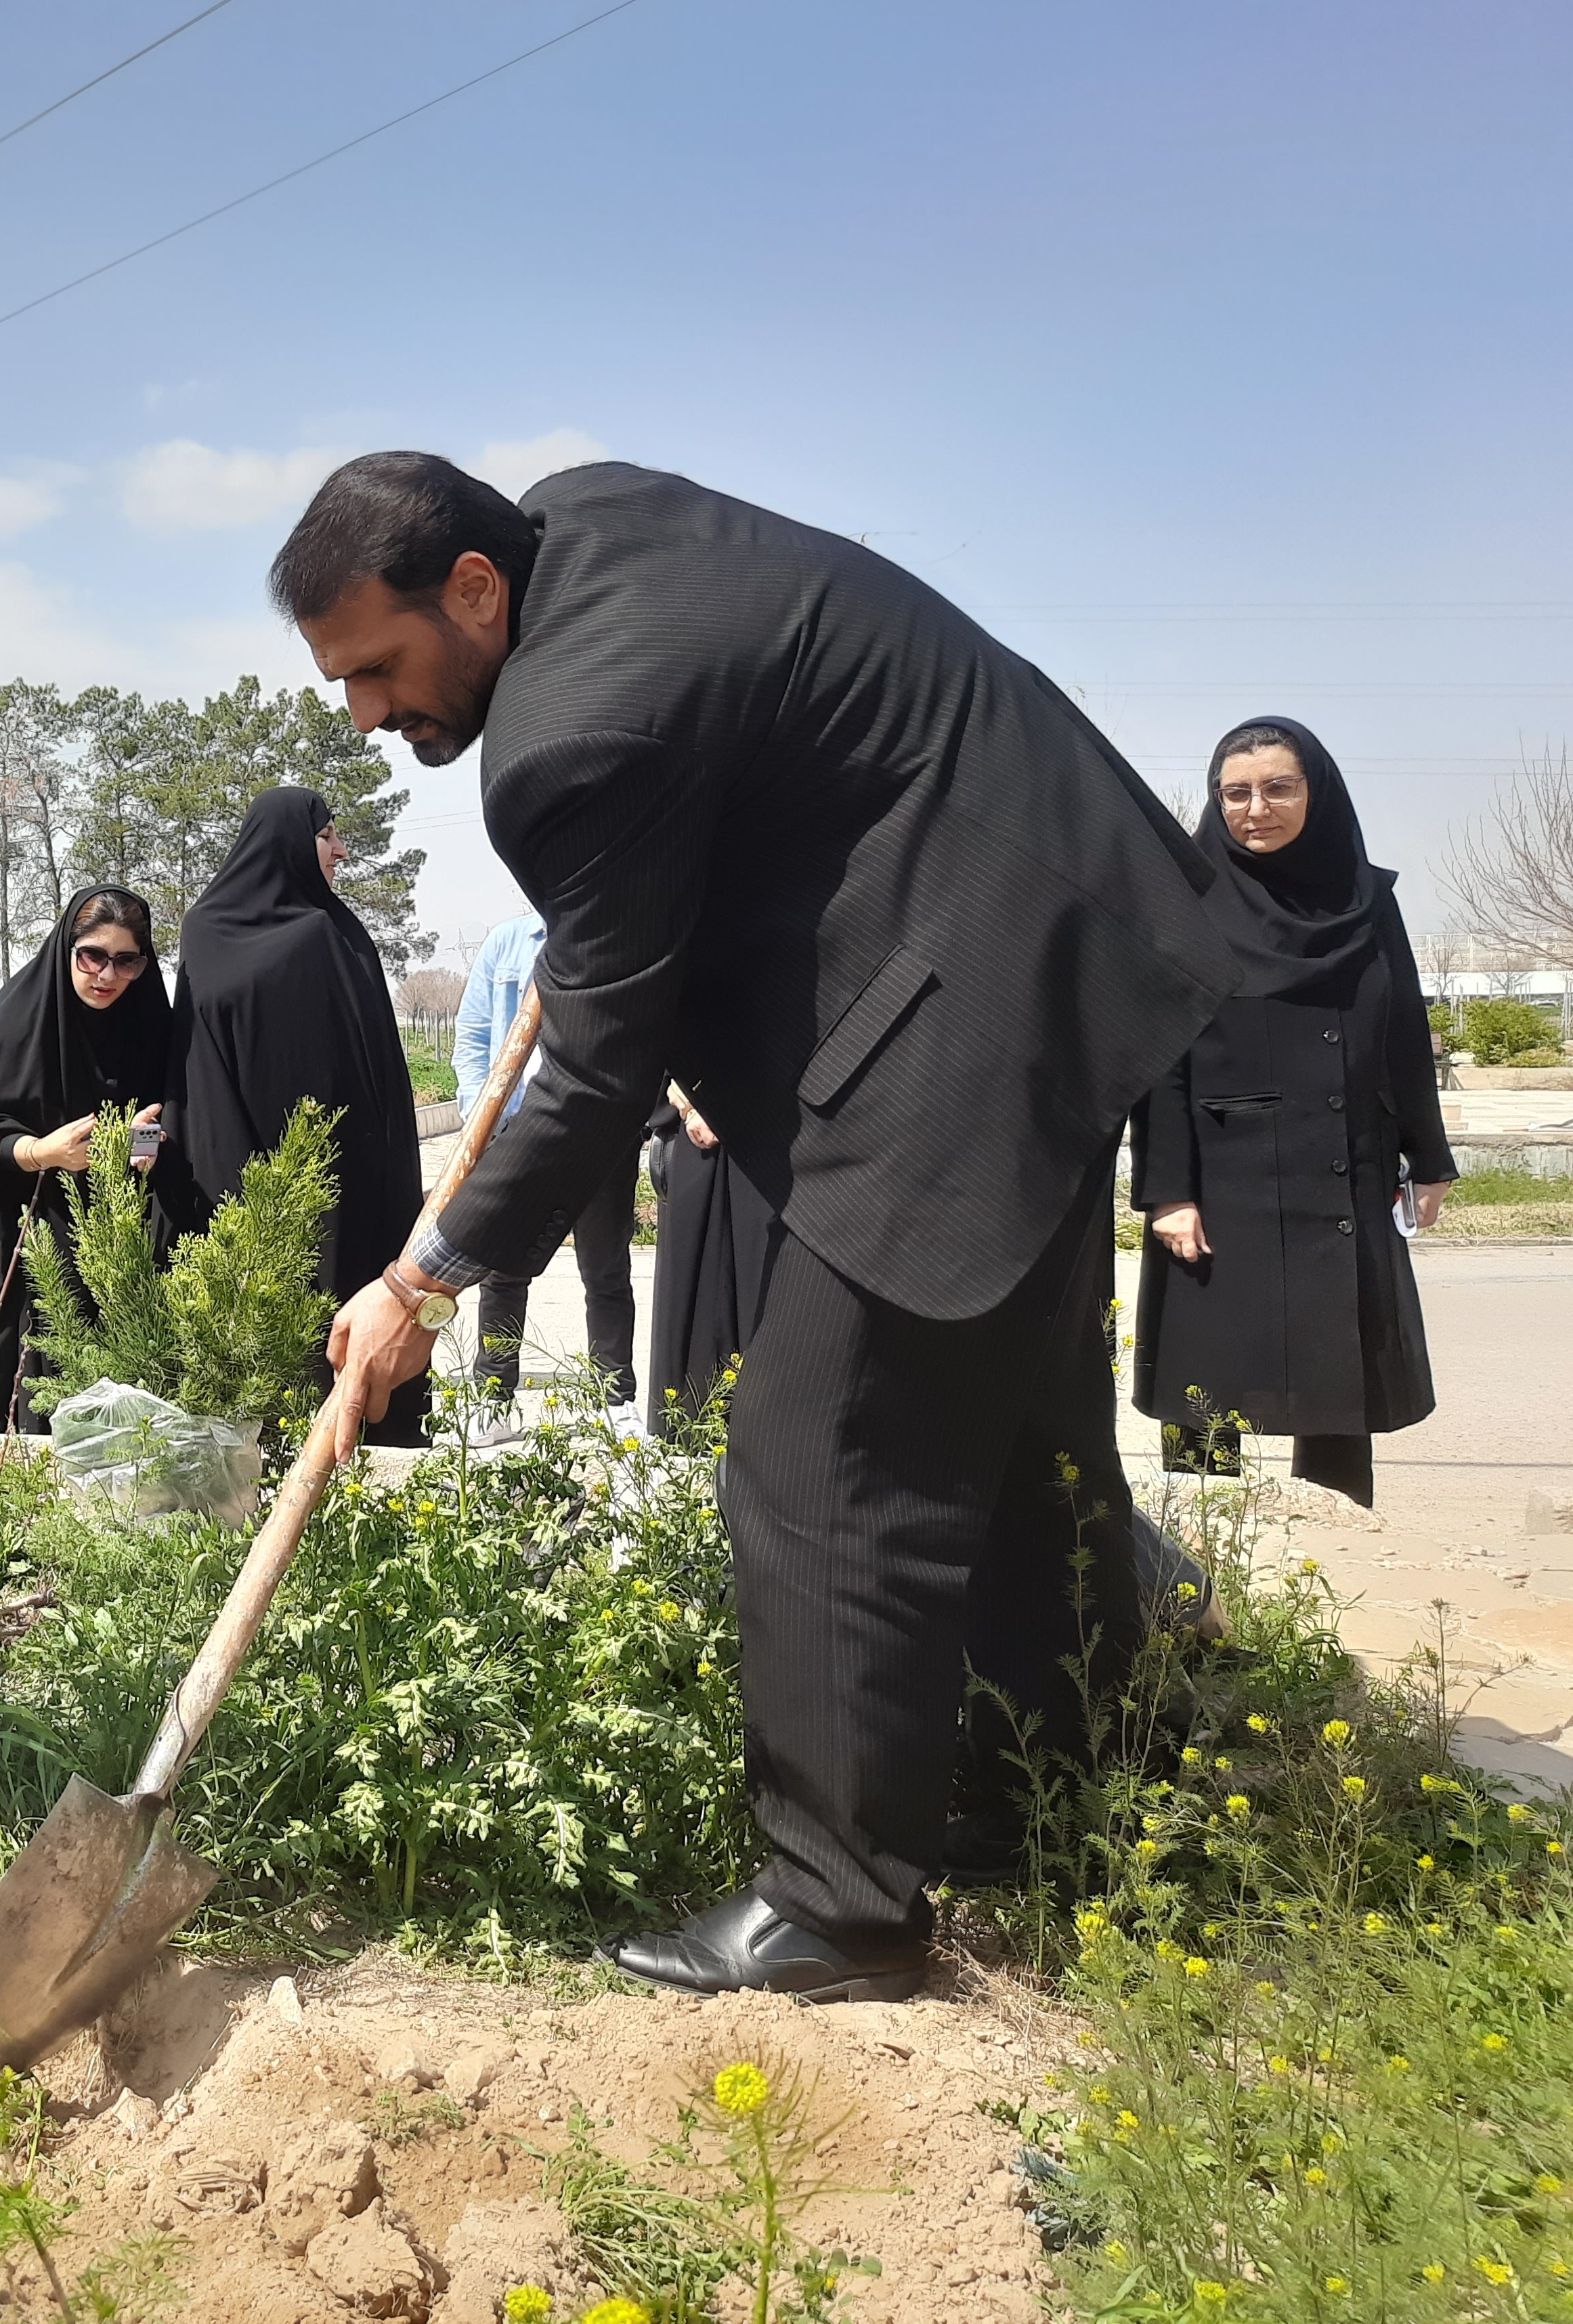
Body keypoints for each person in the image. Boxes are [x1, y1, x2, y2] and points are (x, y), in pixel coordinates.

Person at [287, 454, 1238, 2000]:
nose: (366, 721)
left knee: (812, 1457)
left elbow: (598, 1054)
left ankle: (840, 1904)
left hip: (956, 1017)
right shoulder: (585, 517)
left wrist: (429, 1273)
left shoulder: (566, 728)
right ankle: (1034, 1811)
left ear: (474, 587)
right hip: (1045, 936)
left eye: (377, 673)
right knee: (1017, 1446)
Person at [1130, 716, 1454, 1508]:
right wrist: (1168, 1191)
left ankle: (1330, 1522)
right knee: (1204, 1377)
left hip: (1343, 1160)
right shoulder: (1185, 901)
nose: (1255, 808)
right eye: (1234, 792)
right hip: (1220, 1175)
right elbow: (1158, 1053)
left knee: (1337, 1366)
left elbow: (1403, 1030)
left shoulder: (1365, 899)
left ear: (1318, 792)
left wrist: (1429, 1158)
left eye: (1279, 788)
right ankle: (1200, 1540)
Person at [163, 788, 431, 1442]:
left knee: (348, 1359)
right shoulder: (208, 929)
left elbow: (376, 1081)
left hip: (349, 1191)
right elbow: (196, 1070)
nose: (341, 849)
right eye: (328, 835)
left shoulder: (334, 930)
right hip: (245, 1184)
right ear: (286, 841)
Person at [0, 886, 172, 1431]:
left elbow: (162, 1111)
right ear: (67, 949)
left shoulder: (150, 1026)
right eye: (93, 956)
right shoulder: (15, 1023)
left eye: (127, 962)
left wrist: (143, 1146)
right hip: (31, 1239)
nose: (107, 976)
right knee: (33, 1401)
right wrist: (41, 1153)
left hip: (119, 1242)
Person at [452, 911, 641, 1418]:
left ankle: (614, 1400)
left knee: (605, 1271)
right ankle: (492, 1400)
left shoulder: (614, 932)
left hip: (602, 1128)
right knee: (503, 1272)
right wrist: (481, 1112)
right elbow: (471, 1034)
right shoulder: (508, 942)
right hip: (519, 1127)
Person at [647, 1080, 785, 1441]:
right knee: (702, 1270)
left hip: (772, 1116)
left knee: (764, 1269)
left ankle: (763, 1424)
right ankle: (693, 1420)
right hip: (703, 1118)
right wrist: (689, 1100)